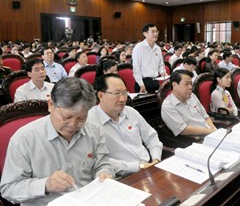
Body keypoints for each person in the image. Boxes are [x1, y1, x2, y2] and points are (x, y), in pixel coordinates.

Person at [0, 77, 114, 206]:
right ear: (51, 105)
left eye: (81, 118)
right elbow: (8, 189)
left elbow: (103, 164)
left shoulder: (94, 130)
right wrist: (46, 184)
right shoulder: (24, 138)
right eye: (67, 117)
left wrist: (104, 174)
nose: (73, 124)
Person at [87, 74, 163, 177]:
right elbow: (98, 160)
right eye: (117, 94)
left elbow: (151, 137)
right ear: (101, 96)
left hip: (150, 166)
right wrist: (139, 166)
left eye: (125, 93)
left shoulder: (130, 111)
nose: (123, 99)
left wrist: (156, 159)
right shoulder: (90, 121)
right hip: (122, 177)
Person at [161, 70, 217, 136]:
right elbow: (183, 130)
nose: (190, 87)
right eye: (186, 84)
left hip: (210, 133)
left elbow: (206, 117)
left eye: (191, 84)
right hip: (196, 139)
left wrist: (215, 130)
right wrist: (210, 131)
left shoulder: (192, 96)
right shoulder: (168, 106)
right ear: (174, 85)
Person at [132, 23, 166, 93]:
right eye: (153, 31)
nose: (155, 34)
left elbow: (161, 65)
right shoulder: (138, 48)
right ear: (145, 34)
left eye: (156, 31)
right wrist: (141, 84)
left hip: (155, 81)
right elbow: (136, 68)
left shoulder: (158, 48)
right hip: (143, 82)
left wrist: (163, 72)